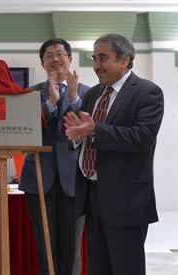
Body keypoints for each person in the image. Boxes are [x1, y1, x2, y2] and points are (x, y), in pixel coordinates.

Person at [64, 33, 164, 275]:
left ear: (124, 60)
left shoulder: (147, 92)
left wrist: (95, 129)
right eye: (94, 58)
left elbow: (143, 138)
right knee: (98, 267)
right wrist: (77, 139)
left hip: (126, 199)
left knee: (126, 268)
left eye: (103, 58)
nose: (96, 65)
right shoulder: (93, 94)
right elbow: (86, 135)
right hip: (93, 195)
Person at [18, 38, 89, 275]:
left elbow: (89, 132)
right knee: (44, 246)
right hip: (38, 177)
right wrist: (50, 103)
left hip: (75, 179)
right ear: (42, 63)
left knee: (72, 248)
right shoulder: (29, 93)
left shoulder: (88, 93)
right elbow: (24, 132)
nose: (55, 58)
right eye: (49, 55)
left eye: (60, 54)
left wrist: (74, 100)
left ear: (69, 60)